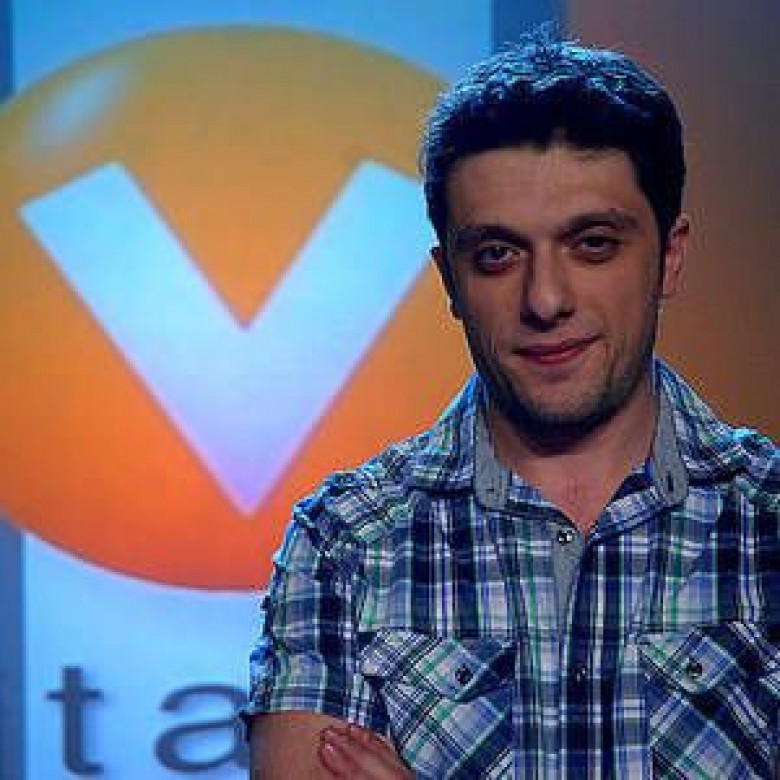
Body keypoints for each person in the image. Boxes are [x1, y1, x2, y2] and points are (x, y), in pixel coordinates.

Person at [243, 31, 780, 779]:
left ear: (669, 256)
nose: (546, 299)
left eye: (592, 244)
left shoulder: (768, 518)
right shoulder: (348, 541)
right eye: (497, 255)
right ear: (450, 280)